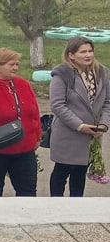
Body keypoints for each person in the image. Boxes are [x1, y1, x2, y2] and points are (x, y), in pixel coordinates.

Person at [0, 48, 42, 197]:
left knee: (28, 191)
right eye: (11, 64)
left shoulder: (23, 84)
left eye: (17, 64)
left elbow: (34, 112)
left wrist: (36, 137)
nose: (16, 68)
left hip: (25, 150)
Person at [48, 36, 110, 197]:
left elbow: (107, 103)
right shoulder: (62, 74)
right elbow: (58, 105)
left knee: (80, 172)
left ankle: (76, 205)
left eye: (90, 51)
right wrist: (80, 126)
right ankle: (56, 204)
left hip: (92, 135)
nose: (88, 55)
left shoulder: (102, 73)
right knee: (62, 171)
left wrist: (103, 125)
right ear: (71, 55)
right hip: (68, 133)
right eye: (83, 52)